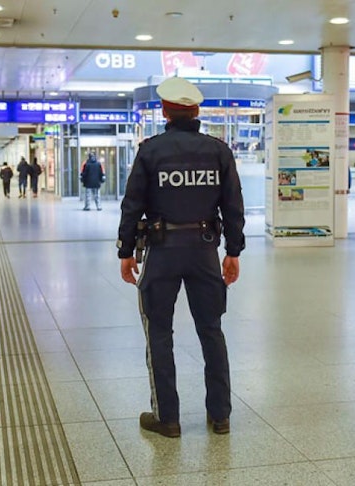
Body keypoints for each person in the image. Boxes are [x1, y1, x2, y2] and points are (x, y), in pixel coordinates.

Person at [117, 77, 245, 438]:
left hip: (162, 252)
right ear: (197, 111)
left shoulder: (151, 151)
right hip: (205, 251)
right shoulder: (219, 151)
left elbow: (132, 205)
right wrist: (233, 251)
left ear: (164, 111)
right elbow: (233, 206)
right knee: (211, 330)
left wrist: (126, 251)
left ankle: (167, 419)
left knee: (159, 331)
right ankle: (220, 416)